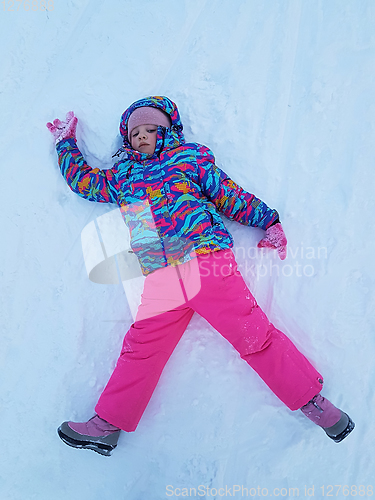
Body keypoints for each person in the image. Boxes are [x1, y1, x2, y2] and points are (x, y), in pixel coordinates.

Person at [47, 96, 354, 456]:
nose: (142, 137)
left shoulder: (189, 159)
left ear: (167, 131)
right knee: (141, 350)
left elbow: (228, 195)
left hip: (206, 261)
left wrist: (268, 220)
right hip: (161, 277)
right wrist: (66, 144)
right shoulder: (123, 176)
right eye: (135, 133)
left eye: (150, 129)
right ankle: (107, 425)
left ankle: (314, 404)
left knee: (253, 336)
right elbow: (84, 182)